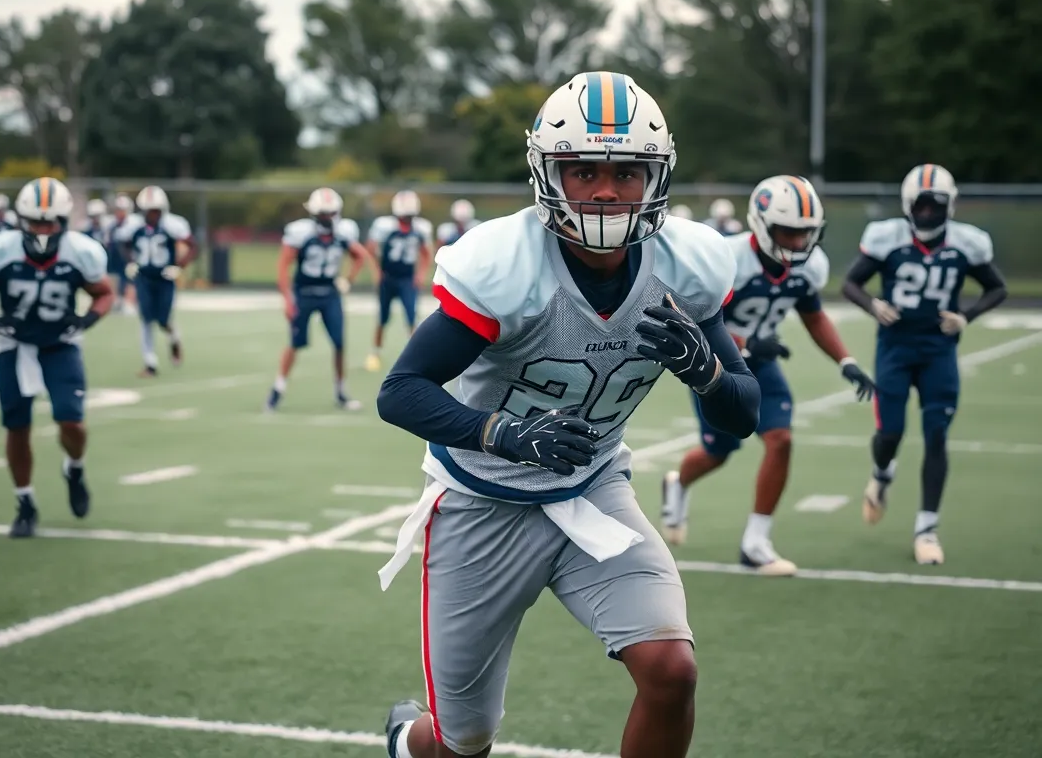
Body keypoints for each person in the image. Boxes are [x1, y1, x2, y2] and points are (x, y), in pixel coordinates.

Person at [374, 70, 760, 758]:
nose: (606, 190)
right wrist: (504, 433)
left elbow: (741, 415)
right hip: (481, 504)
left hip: (592, 490)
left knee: (671, 670)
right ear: (548, 173)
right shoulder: (506, 264)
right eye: (582, 170)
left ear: (656, 178)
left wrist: (705, 366)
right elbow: (401, 389)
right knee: (464, 742)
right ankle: (411, 741)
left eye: (626, 171)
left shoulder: (686, 264)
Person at [661, 176, 877, 575]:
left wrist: (845, 360)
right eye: (788, 232)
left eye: (805, 234)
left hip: (763, 360)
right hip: (715, 364)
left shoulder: (809, 266)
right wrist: (743, 345)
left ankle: (756, 543)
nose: (797, 243)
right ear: (761, 224)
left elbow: (813, 315)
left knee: (781, 439)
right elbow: (700, 318)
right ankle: (677, 483)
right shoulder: (727, 258)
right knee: (716, 454)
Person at [842, 163, 1006, 564]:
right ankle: (882, 474)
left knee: (936, 435)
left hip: (939, 350)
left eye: (937, 205)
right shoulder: (888, 238)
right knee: (890, 433)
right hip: (895, 348)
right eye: (923, 205)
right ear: (908, 205)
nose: (929, 213)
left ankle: (927, 528)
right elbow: (851, 284)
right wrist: (873, 305)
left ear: (950, 206)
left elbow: (996, 287)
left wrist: (966, 316)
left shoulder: (967, 243)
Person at [0, 177, 113, 538]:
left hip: (61, 342)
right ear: (21, 220)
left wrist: (86, 319)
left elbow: (104, 293)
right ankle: (25, 502)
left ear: (63, 222)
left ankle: (74, 467)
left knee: (71, 421)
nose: (42, 230)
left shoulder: (82, 251)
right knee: (17, 427)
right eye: (35, 222)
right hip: (15, 345)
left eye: (50, 222)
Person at [267, 187, 378, 412]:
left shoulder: (344, 232)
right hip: (304, 293)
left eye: (330, 213)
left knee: (339, 343)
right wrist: (287, 299)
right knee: (295, 343)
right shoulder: (301, 233)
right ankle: (278, 389)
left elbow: (359, 255)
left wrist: (348, 280)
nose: (327, 218)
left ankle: (341, 391)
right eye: (323, 214)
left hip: (329, 293)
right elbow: (282, 266)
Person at [116, 186, 196, 377]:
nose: (152, 215)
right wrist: (130, 262)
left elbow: (192, 246)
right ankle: (150, 363)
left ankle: (174, 338)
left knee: (163, 320)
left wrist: (179, 266)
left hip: (165, 278)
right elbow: (122, 242)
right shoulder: (134, 225)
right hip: (143, 277)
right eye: (148, 210)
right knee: (145, 319)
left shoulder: (172, 224)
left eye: (155, 210)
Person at [364, 191, 433, 372]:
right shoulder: (384, 227)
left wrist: (421, 274)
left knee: (411, 318)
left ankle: (416, 357)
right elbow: (369, 249)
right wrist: (376, 271)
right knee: (382, 318)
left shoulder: (421, 228)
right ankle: (375, 353)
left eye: (409, 216)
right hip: (388, 278)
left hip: (407, 279)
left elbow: (426, 253)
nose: (406, 220)